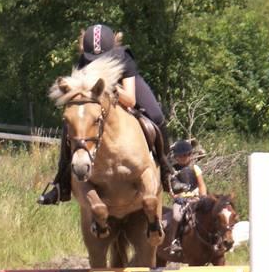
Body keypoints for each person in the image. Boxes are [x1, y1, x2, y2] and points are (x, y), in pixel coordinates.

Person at [38, 23, 172, 205]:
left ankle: (168, 172)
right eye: (92, 57)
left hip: (124, 90)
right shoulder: (84, 61)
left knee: (156, 116)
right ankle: (61, 183)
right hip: (97, 100)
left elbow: (130, 100)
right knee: (69, 127)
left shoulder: (124, 58)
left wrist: (109, 89)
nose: (95, 61)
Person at [167, 139, 207, 255]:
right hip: (180, 200)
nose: (184, 157)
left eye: (187, 155)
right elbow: (170, 189)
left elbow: (201, 185)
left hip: (195, 198)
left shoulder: (195, 168)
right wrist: (175, 197)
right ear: (176, 157)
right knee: (176, 217)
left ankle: (214, 238)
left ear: (190, 155)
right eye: (182, 156)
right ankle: (174, 241)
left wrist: (203, 197)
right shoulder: (173, 171)